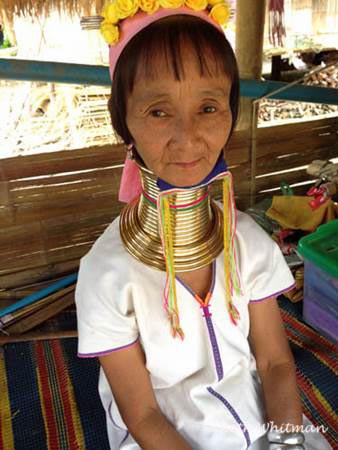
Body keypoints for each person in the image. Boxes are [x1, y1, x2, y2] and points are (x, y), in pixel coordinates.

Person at [75, 2, 333, 449]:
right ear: (124, 123)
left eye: (209, 107)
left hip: (263, 421)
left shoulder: (247, 242)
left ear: (231, 113)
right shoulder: (106, 274)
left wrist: (287, 443)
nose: (189, 136)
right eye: (158, 111)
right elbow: (142, 414)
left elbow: (274, 364)